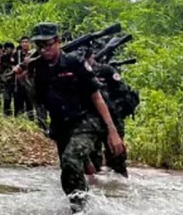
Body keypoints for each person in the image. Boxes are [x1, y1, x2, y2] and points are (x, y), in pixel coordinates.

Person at [18, 23, 125, 212]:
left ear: (58, 42)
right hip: (61, 126)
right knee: (68, 171)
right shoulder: (40, 68)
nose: (44, 50)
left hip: (86, 121)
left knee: (70, 159)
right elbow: (38, 101)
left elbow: (96, 96)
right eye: (39, 46)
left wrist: (112, 131)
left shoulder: (74, 63)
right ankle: (79, 206)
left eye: (48, 44)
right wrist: (24, 79)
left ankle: (82, 209)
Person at [85, 50, 133, 177]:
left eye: (88, 56)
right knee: (93, 159)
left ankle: (120, 188)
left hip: (113, 117)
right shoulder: (80, 71)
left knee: (117, 158)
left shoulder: (106, 70)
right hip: (91, 120)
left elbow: (122, 91)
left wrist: (115, 107)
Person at [14, 36, 35, 120]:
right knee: (18, 100)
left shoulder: (33, 54)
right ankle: (19, 119)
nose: (24, 44)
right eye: (23, 42)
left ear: (29, 43)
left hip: (29, 81)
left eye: (26, 42)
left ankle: (31, 119)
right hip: (19, 81)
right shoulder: (17, 54)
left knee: (29, 101)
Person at [1, 42, 17, 116]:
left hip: (16, 80)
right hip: (6, 80)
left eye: (10, 48)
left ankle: (17, 114)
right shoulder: (3, 57)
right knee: (7, 98)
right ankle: (6, 114)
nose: (8, 50)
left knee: (17, 99)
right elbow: (1, 68)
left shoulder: (16, 56)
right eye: (7, 48)